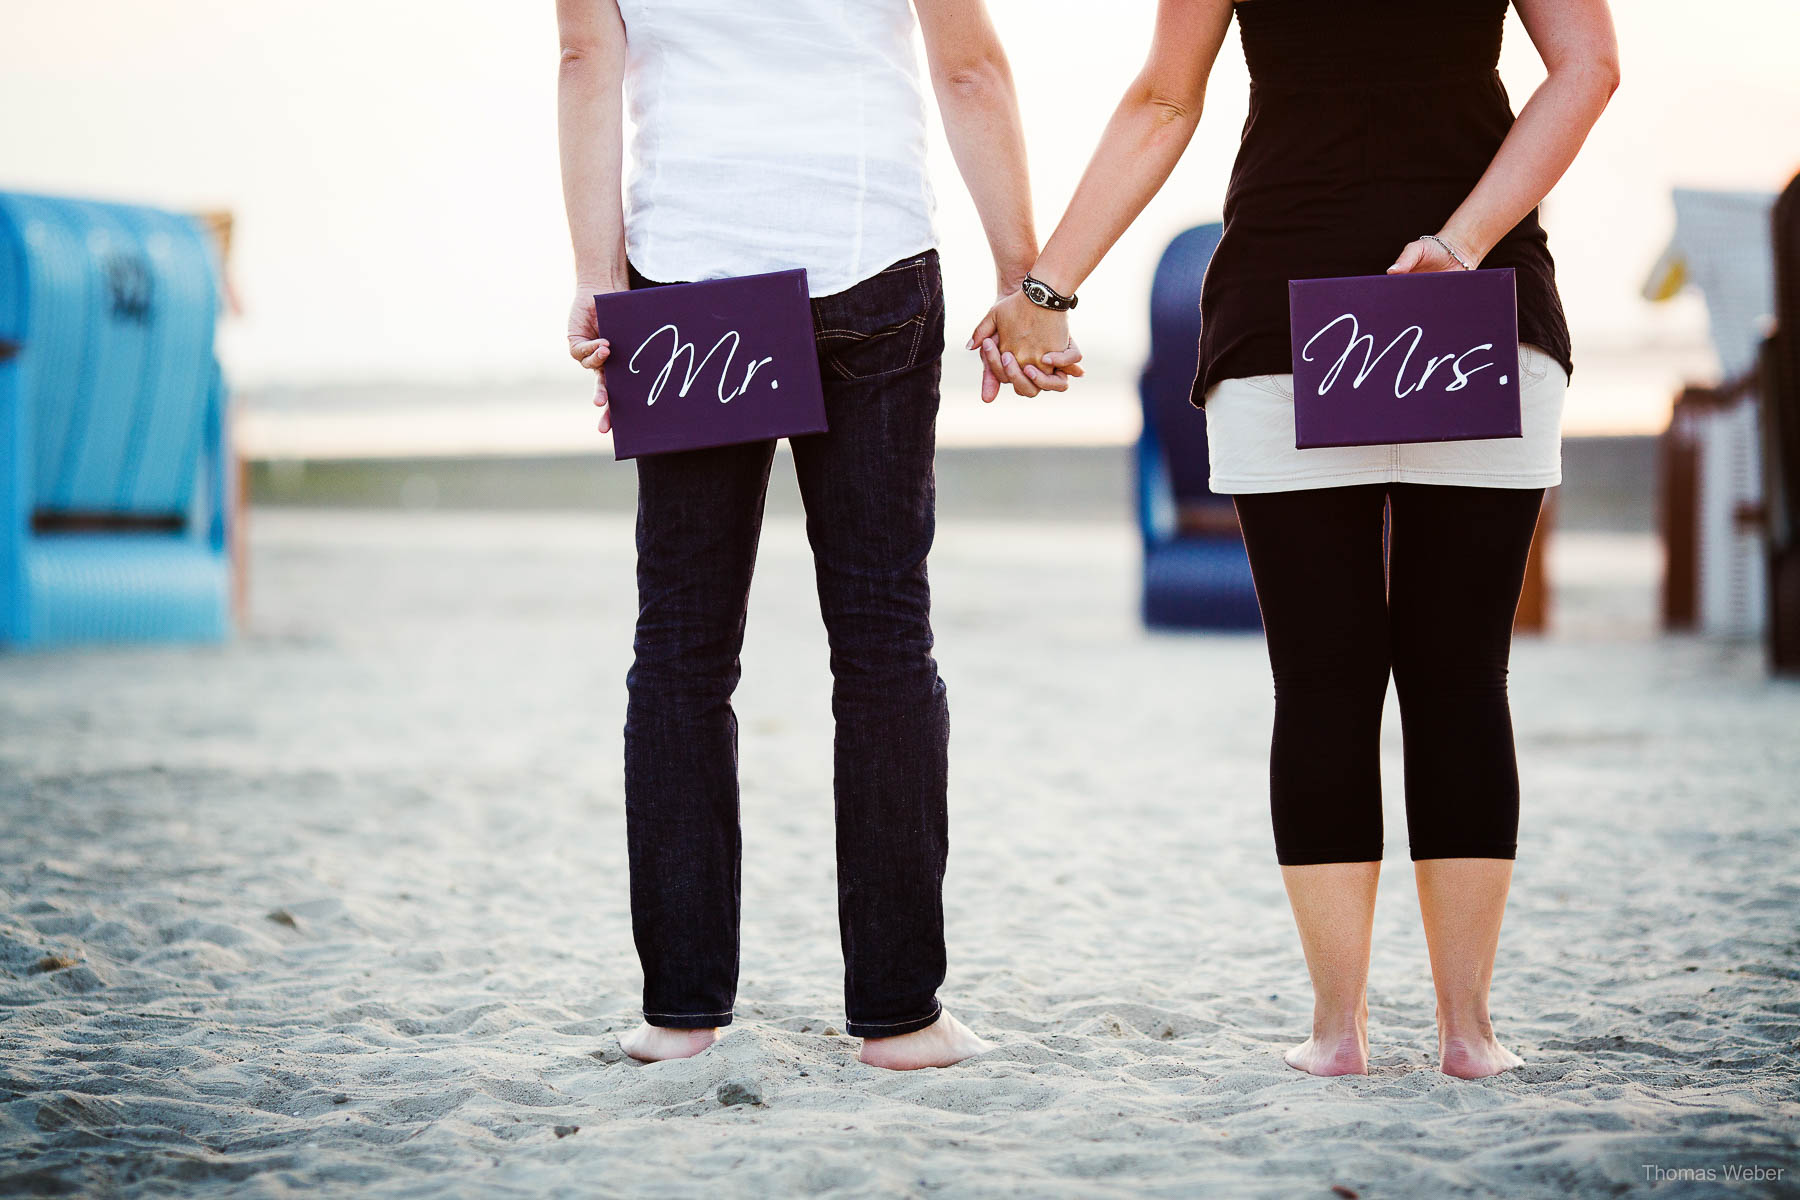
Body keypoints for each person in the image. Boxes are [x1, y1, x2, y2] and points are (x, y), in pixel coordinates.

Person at [975, 0, 1618, 1078]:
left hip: (1285, 308)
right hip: (1480, 307)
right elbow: (1587, 70)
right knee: (1463, 680)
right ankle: (1469, 1035)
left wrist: (1044, 288)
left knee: (1321, 686)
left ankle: (1337, 1035)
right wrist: (1459, 245)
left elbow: (1164, 96)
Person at [555, 0, 1075, 1070]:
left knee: (683, 649)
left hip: (690, 272)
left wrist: (597, 278)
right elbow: (970, 69)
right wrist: (1024, 277)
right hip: (870, 254)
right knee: (885, 638)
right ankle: (901, 1017)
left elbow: (583, 58)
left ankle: (681, 1015)